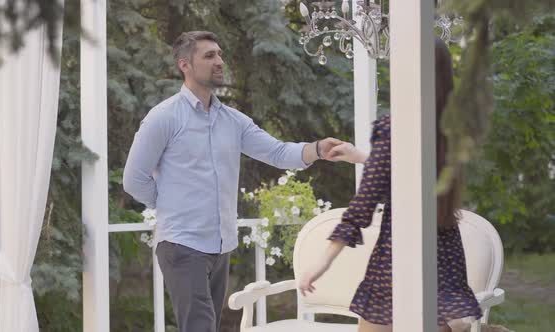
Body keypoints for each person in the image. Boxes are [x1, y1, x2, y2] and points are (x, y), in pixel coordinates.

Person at [123, 30, 343, 332]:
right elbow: (134, 179)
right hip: (182, 244)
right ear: (184, 65)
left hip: (221, 246)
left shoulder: (233, 120)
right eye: (209, 55)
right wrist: (169, 206)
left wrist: (317, 149)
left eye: (220, 54)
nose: (219, 61)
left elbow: (277, 152)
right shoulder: (164, 118)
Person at [299, 38, 483, 332]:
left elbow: (362, 206)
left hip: (399, 256)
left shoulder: (395, 126)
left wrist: (322, 262)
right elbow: (413, 176)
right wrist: (361, 156)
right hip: (444, 254)